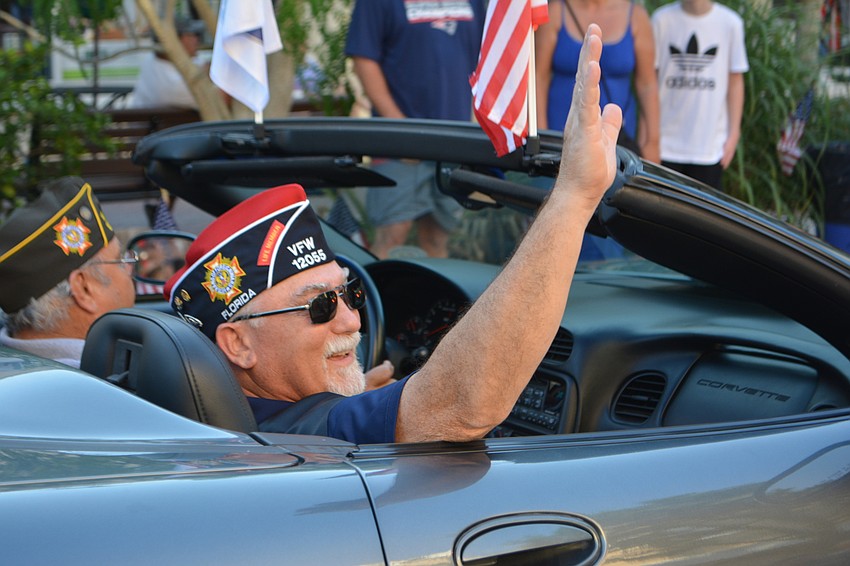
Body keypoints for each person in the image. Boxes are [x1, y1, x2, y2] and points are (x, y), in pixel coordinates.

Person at [164, 24, 621, 444]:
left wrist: (365, 398)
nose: (351, 321)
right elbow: (462, 404)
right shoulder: (301, 430)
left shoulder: (204, 411)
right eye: (320, 305)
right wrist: (574, 198)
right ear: (238, 344)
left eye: (349, 295)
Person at [345, 0, 485, 259]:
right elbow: (363, 59)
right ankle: (378, 299)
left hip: (453, 141)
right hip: (399, 144)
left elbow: (485, 54)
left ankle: (434, 300)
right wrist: (400, 127)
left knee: (438, 237)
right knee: (391, 236)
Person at [0, 177, 137, 367]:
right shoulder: (101, 382)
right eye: (121, 261)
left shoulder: (10, 363)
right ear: (84, 288)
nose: (129, 268)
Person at [536, 0, 660, 164]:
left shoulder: (636, 16)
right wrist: (542, 136)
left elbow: (647, 85)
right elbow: (539, 78)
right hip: (559, 143)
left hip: (617, 146)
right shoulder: (557, 11)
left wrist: (652, 142)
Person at [652, 0, 748, 190]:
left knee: (703, 217)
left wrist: (733, 134)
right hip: (666, 146)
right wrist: (650, 137)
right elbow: (649, 82)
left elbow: (735, 81)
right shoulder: (661, 20)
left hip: (709, 148)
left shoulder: (730, 23)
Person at [128, 18, 206, 110]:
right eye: (193, 35)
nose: (197, 40)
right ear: (174, 41)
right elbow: (217, 98)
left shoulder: (154, 61)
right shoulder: (167, 81)